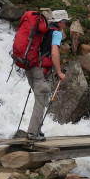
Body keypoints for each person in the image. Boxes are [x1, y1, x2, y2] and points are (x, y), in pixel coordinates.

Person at [25, 9, 69, 140]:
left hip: (30, 68)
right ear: (60, 22)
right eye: (65, 21)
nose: (65, 24)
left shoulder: (42, 31)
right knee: (41, 101)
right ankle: (32, 133)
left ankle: (37, 130)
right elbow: (54, 53)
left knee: (40, 99)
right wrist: (59, 72)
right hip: (41, 69)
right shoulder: (55, 33)